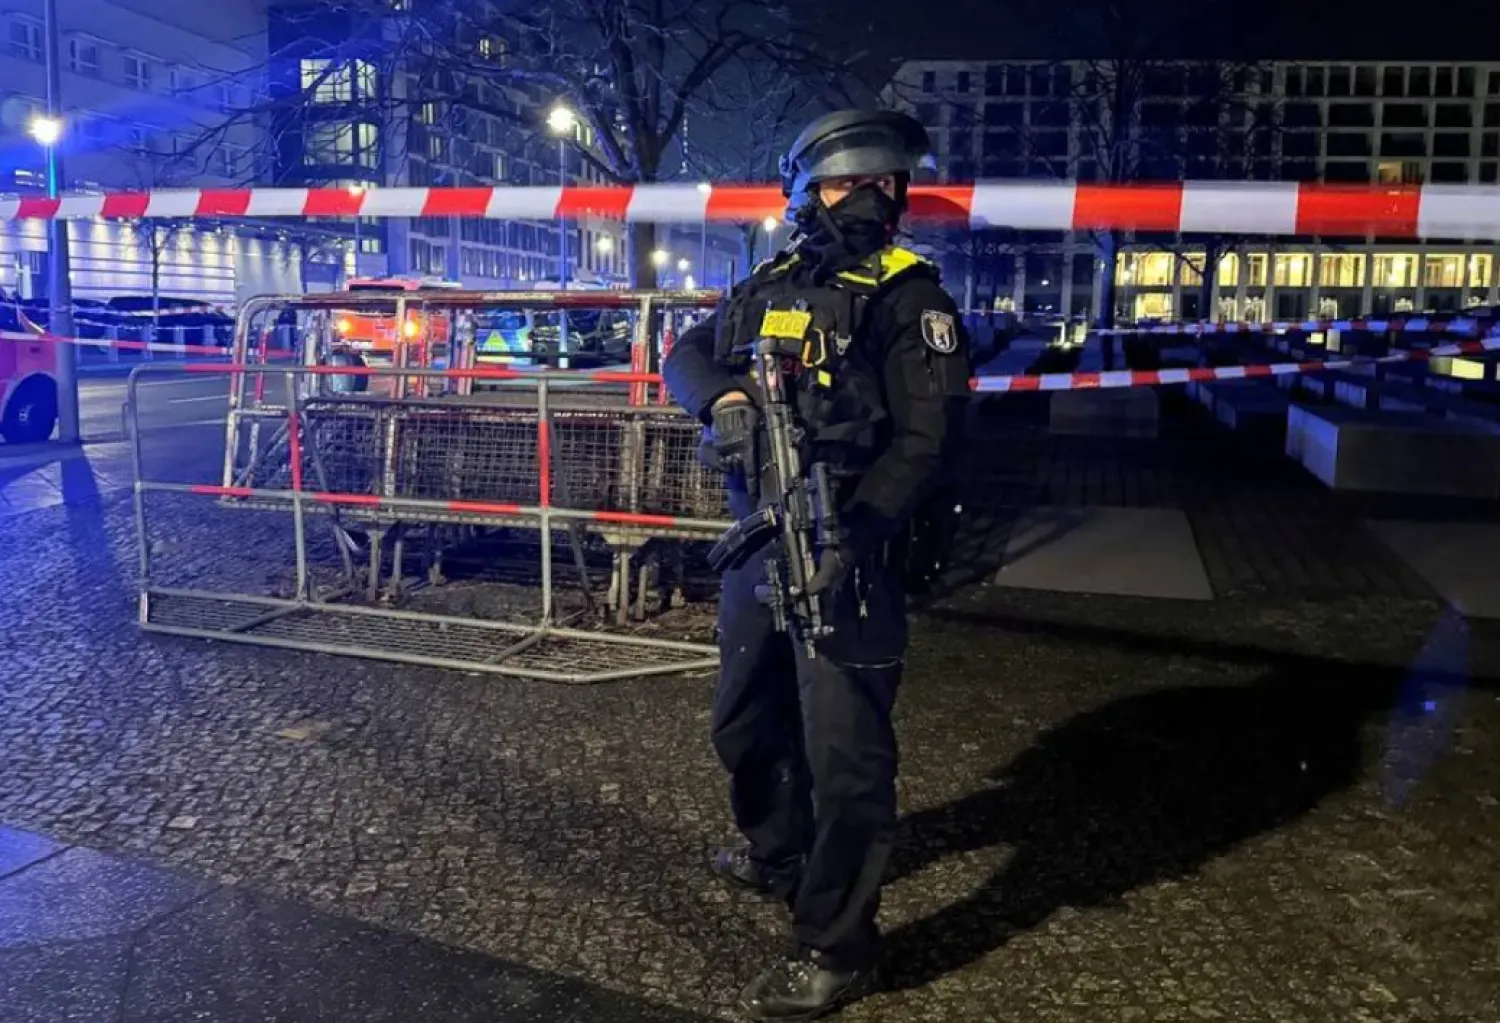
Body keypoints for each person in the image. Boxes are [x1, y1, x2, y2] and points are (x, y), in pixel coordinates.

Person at [662, 109, 972, 1020]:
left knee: (848, 758)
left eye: (882, 184)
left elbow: (930, 442)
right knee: (746, 721)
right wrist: (720, 397)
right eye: (847, 183)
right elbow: (684, 351)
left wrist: (858, 536)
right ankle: (779, 852)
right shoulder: (772, 282)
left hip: (851, 551)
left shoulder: (912, 298)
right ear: (807, 191)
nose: (867, 199)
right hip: (760, 536)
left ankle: (836, 943)